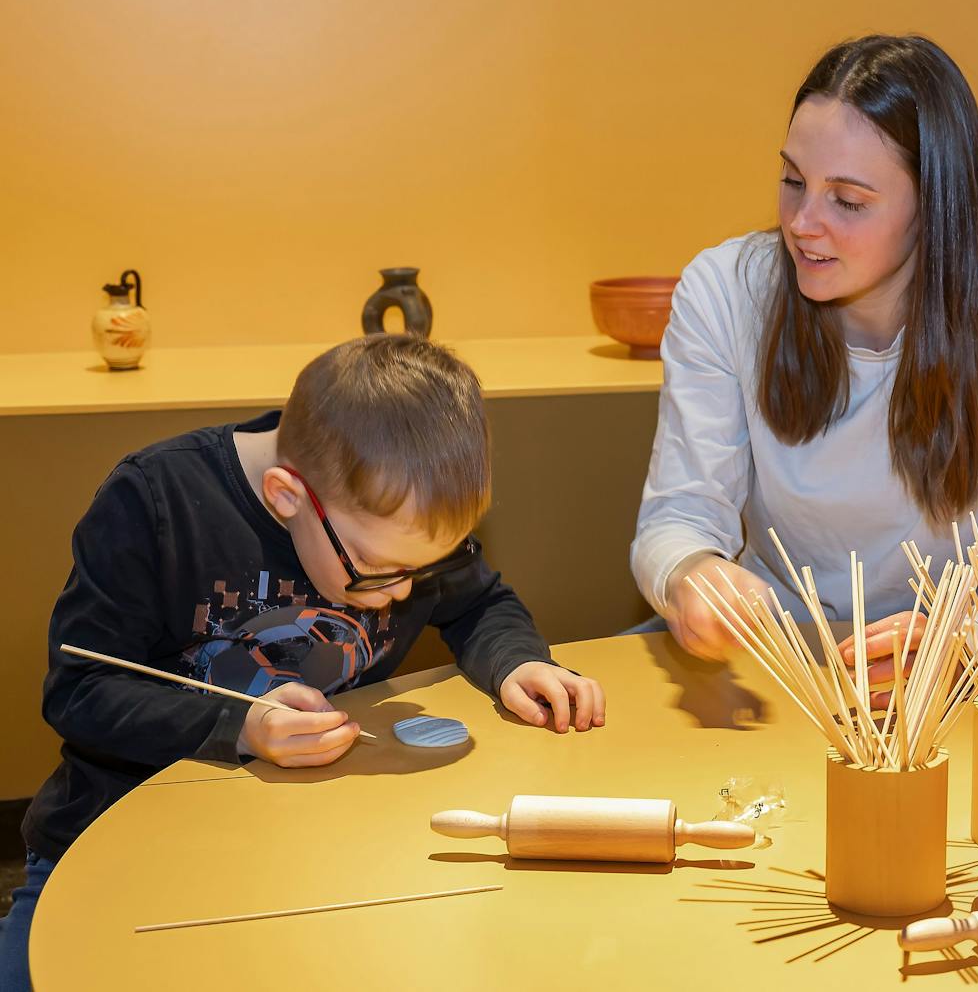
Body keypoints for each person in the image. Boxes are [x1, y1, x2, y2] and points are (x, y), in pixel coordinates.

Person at [0, 335, 604, 990]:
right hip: (109, 843)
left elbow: (479, 600)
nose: (404, 591)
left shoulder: (387, 519)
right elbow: (81, 690)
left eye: (423, 566)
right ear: (288, 495)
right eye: (378, 571)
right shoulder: (154, 503)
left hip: (303, 848)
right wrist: (242, 726)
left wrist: (518, 662)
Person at [631, 34, 978, 677]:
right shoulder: (727, 289)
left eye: (848, 201)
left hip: (952, 667)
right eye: (793, 181)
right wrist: (692, 573)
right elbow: (677, 517)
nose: (801, 222)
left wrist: (962, 638)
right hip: (774, 656)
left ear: (933, 205)